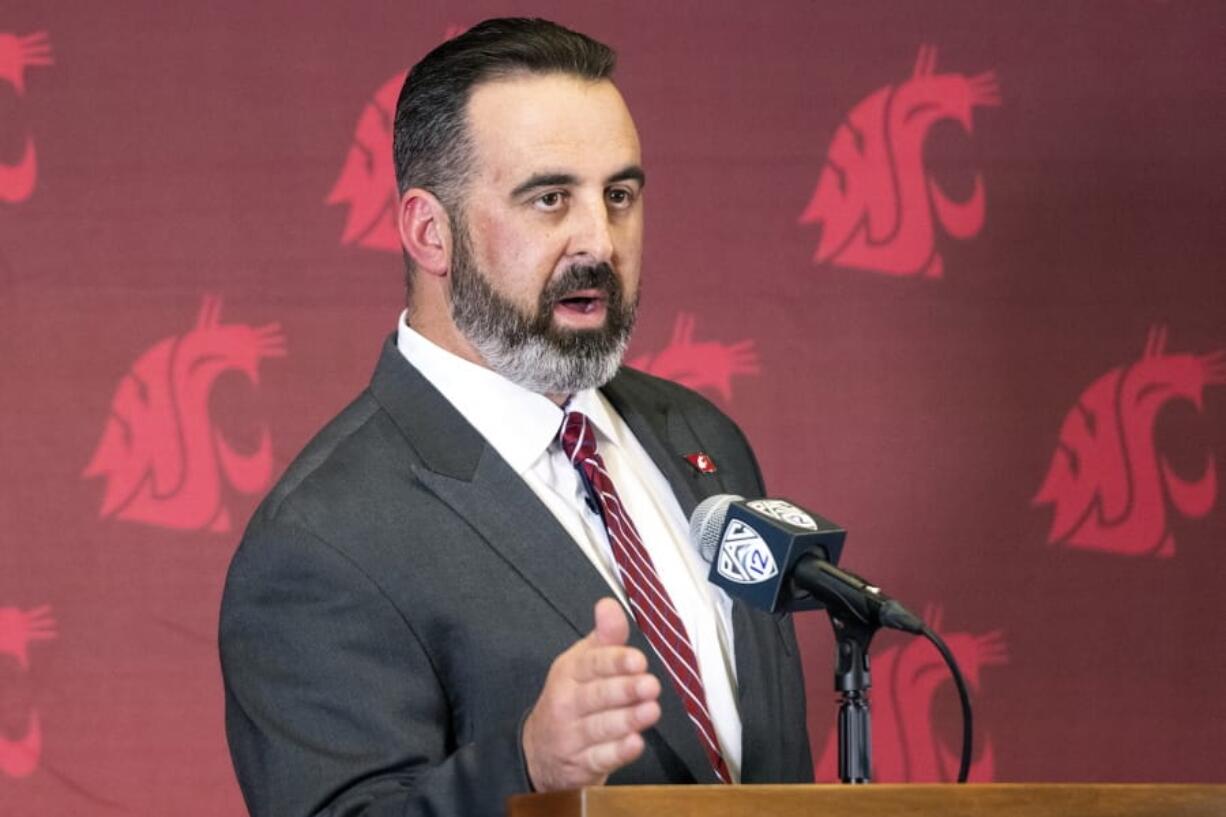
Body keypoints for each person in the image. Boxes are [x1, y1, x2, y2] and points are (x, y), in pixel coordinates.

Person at [219, 18, 811, 817]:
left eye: (619, 195)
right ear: (430, 231)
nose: (599, 239)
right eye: (549, 198)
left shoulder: (703, 439)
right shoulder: (320, 538)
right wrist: (526, 762)